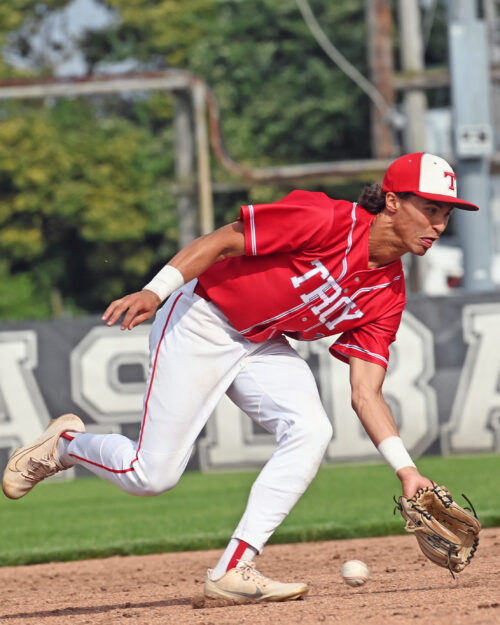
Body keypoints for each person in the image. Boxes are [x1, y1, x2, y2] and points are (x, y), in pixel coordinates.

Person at [2, 152, 479, 602]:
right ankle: (65, 445)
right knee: (151, 476)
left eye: (446, 215)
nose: (438, 225)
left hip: (261, 340)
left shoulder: (388, 292)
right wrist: (155, 291)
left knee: (312, 430)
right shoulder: (329, 220)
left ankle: (234, 569)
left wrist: (406, 469)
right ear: (393, 202)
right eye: (430, 209)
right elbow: (225, 239)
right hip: (202, 317)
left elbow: (365, 392)